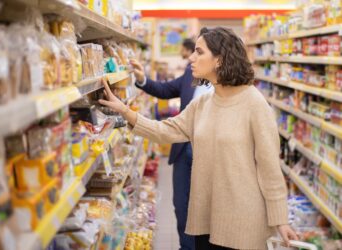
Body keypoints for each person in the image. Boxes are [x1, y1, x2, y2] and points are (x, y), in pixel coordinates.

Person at [99, 27, 298, 250]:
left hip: (243, 223)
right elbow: (165, 130)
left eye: (199, 52)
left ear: (219, 60)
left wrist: (280, 220)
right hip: (207, 218)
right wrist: (125, 112)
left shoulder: (254, 104)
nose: (192, 57)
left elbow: (270, 168)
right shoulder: (203, 104)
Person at [130, 38, 213, 250]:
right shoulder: (192, 75)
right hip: (185, 149)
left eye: (199, 52)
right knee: (181, 205)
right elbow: (166, 90)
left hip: (213, 156)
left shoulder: (230, 86)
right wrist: (142, 79)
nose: (191, 57)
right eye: (194, 51)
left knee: (209, 209)